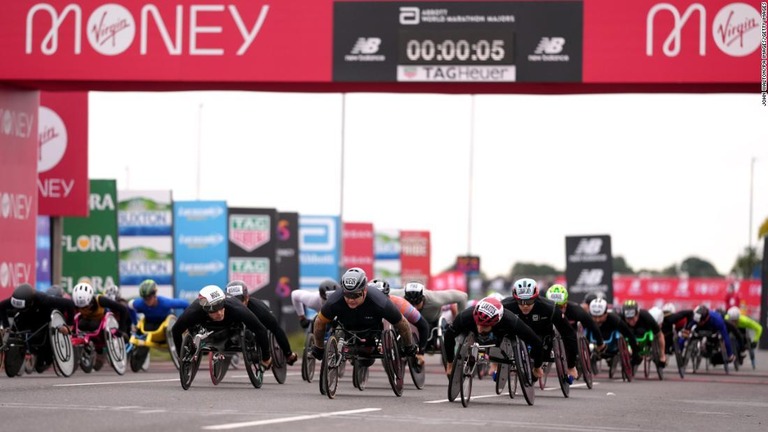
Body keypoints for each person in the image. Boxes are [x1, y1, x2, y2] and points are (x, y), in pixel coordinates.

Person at [310, 268, 416, 368]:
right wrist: (319, 347)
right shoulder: (334, 301)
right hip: (347, 329)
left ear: (365, 291)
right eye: (347, 295)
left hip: (372, 331)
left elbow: (402, 323)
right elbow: (319, 322)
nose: (351, 300)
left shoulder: (380, 301)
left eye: (355, 295)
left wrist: (408, 346)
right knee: (320, 320)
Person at [444, 296, 544, 379]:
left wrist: (537, 367)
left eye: (485, 326)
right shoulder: (465, 316)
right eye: (479, 324)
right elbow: (449, 335)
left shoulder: (510, 320)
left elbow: (536, 342)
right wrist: (450, 363)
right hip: (473, 333)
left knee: (531, 339)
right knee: (449, 331)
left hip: (501, 335)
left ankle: (495, 362)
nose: (480, 329)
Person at [171, 285, 272, 368]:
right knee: (187, 326)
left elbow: (260, 329)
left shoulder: (236, 307)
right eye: (214, 310)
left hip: (232, 325)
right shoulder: (194, 311)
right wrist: (182, 357)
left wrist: (266, 358)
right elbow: (175, 330)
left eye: (220, 308)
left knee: (252, 328)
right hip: (205, 325)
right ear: (205, 309)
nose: (219, 313)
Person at [502, 278, 579, 381]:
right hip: (516, 334)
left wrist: (571, 365)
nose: (525, 305)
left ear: (536, 297)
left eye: (529, 301)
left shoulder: (549, 308)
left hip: (542, 334)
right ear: (515, 298)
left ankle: (536, 366)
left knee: (543, 351)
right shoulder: (505, 306)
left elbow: (569, 334)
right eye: (520, 301)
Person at [0, 284, 76, 372]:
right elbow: (1, 306)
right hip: (25, 318)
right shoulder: (16, 300)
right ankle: (19, 348)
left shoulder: (44, 299)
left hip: (43, 320)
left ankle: (46, 358)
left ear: (30, 302)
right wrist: (6, 326)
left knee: (42, 358)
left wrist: (69, 326)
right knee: (16, 324)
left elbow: (69, 304)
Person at [225, 280, 298, 365]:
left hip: (258, 318)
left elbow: (272, 329)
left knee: (275, 328)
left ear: (247, 298)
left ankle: (288, 354)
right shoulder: (224, 308)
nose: (237, 303)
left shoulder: (259, 310)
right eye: (233, 300)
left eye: (240, 299)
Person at [369, 279, 430, 365]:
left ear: (388, 297)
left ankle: (407, 345)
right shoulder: (358, 301)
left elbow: (423, 326)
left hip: (397, 311)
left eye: (381, 299)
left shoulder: (400, 303)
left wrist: (421, 352)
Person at [586, 297, 642, 371]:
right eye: (594, 316)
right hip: (594, 342)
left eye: (600, 316)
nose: (597, 320)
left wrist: (636, 353)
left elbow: (629, 334)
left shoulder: (615, 319)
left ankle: (611, 359)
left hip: (612, 345)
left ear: (606, 313)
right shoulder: (587, 318)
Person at [546, 284, 605, 352]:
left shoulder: (577, 311)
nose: (557, 311)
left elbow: (592, 325)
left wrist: (600, 343)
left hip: (572, 334)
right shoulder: (544, 309)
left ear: (566, 303)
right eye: (554, 307)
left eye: (560, 307)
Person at [619, 299, 667, 367]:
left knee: (642, 332)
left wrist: (662, 355)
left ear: (638, 313)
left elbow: (660, 335)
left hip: (643, 331)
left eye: (632, 318)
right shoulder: (621, 317)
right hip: (629, 333)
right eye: (628, 319)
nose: (631, 321)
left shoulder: (646, 316)